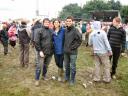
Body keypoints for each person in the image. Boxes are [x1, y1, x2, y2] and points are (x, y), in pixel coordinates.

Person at [34, 18, 53, 86]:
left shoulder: (51, 30)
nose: (47, 23)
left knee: (46, 66)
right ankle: (37, 79)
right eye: (45, 22)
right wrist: (40, 51)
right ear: (43, 23)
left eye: (48, 22)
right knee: (39, 66)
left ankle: (44, 76)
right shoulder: (39, 30)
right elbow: (36, 42)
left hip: (50, 52)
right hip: (42, 52)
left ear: (49, 23)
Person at [64, 16, 82, 85]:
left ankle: (72, 79)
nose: (68, 22)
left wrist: (73, 47)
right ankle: (67, 77)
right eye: (67, 21)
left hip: (73, 52)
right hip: (66, 52)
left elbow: (79, 40)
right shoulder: (65, 30)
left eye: (70, 21)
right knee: (66, 65)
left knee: (72, 66)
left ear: (72, 22)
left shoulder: (75, 30)